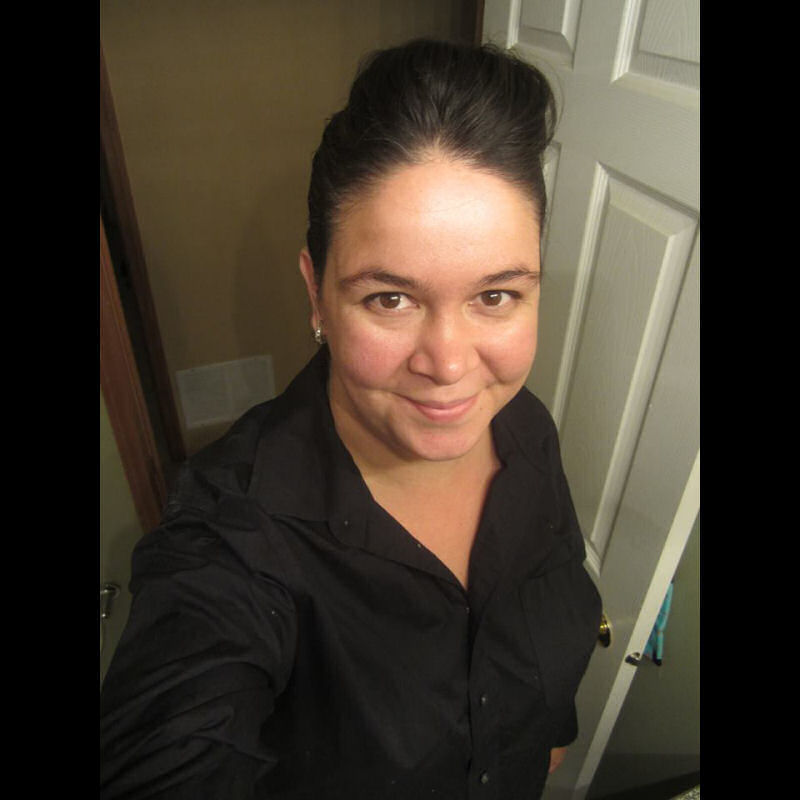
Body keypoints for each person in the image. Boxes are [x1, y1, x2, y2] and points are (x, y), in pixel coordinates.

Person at [100, 38, 602, 800]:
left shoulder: (524, 428)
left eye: (495, 295)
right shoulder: (231, 538)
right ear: (317, 292)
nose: (450, 364)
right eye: (390, 298)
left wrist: (551, 728)